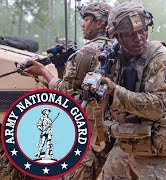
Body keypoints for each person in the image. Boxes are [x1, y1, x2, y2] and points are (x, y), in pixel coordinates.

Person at [100, 2, 166, 179]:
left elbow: (157, 106)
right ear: (117, 36)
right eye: (130, 34)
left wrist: (114, 91)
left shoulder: (161, 58)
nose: (139, 37)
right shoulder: (112, 56)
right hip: (123, 144)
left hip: (155, 149)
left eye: (142, 31)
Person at [23, 2, 113, 179]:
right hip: (112, 128)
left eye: (87, 19)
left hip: (93, 131)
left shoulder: (88, 51)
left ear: (100, 23)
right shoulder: (116, 46)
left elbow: (68, 94)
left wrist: (42, 72)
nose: (82, 24)